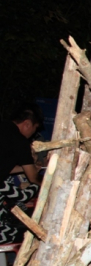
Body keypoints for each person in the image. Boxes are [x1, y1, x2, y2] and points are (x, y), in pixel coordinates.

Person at [0, 104, 43, 244]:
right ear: (27, 124)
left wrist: (24, 168)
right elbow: (33, 178)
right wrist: (47, 183)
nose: (33, 134)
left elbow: (5, 167)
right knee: (24, 234)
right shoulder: (19, 140)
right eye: (35, 128)